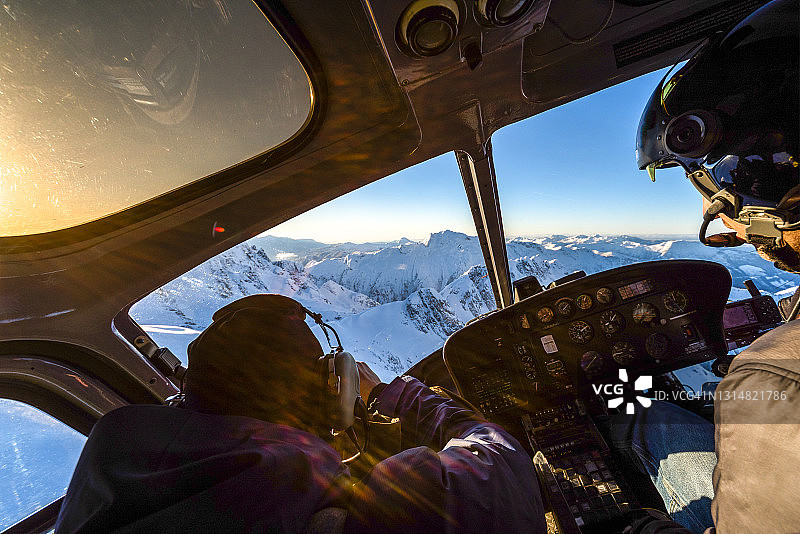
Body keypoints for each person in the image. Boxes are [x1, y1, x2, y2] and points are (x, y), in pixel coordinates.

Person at [54, 294, 546, 533]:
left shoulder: (110, 448)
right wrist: (404, 399)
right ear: (333, 391)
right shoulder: (302, 489)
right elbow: (501, 470)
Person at [618, 0, 800, 532]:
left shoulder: (774, 376)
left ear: (753, 178)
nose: (711, 215)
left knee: (640, 415)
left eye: (709, 189)